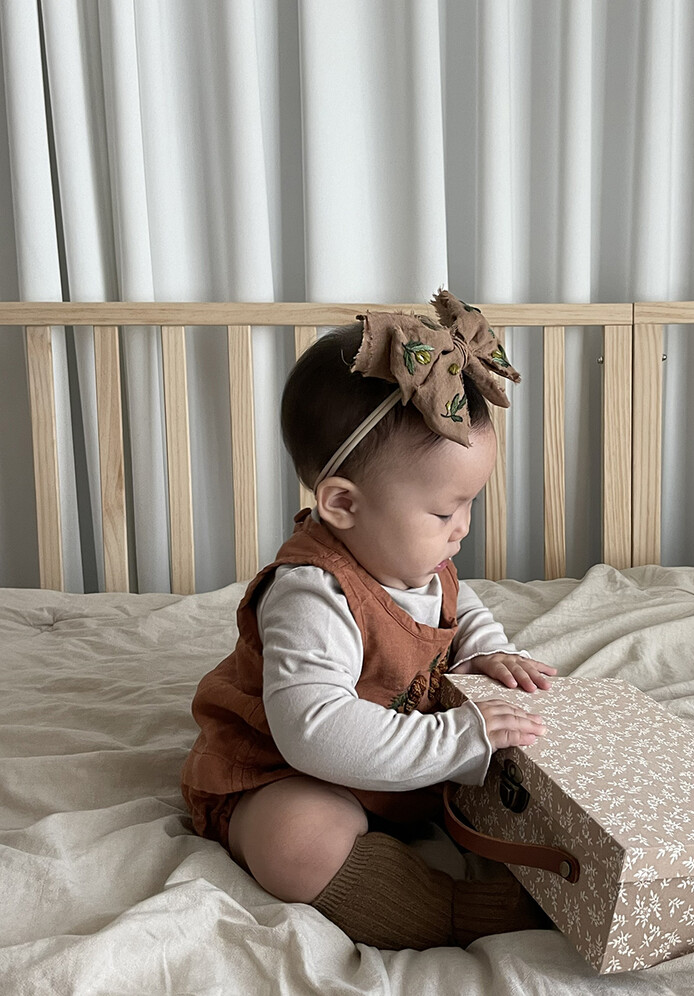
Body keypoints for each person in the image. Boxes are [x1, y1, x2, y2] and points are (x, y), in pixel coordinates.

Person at [180, 290, 557, 950]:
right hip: (281, 768)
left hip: (388, 763)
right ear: (344, 505)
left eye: (469, 503)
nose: (463, 528)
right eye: (444, 512)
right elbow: (315, 731)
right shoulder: (312, 594)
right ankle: (447, 910)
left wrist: (484, 650)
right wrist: (453, 741)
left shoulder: (414, 561)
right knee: (298, 840)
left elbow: (457, 605)